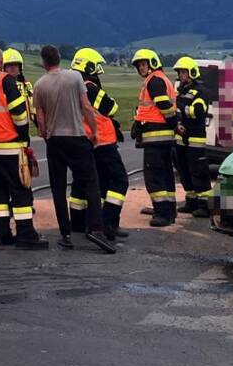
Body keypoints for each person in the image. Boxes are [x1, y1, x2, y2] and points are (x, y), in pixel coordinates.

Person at [32, 45, 116, 253]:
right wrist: (94, 131)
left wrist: (45, 134)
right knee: (91, 182)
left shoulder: (39, 85)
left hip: (55, 140)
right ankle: (96, 229)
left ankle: (66, 236)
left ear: (44, 62)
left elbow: (40, 116)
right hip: (77, 137)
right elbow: (86, 107)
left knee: (58, 189)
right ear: (59, 58)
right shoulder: (75, 78)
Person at [0, 45, 48, 249]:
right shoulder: (5, 80)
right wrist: (23, 137)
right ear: (1, 62)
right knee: (21, 190)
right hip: (10, 145)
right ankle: (26, 235)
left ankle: (1, 235)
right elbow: (20, 114)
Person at [74, 49, 131, 238]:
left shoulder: (72, 87)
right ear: (89, 67)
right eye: (96, 67)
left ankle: (82, 223)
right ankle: (109, 223)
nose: (98, 71)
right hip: (103, 142)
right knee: (120, 181)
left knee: (92, 183)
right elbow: (111, 107)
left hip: (86, 142)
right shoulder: (89, 88)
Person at [131, 48, 179, 226]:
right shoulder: (161, 79)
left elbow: (164, 105)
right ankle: (170, 211)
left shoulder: (154, 81)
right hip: (163, 138)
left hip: (155, 138)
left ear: (152, 63)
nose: (141, 68)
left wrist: (173, 123)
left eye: (143, 64)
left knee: (154, 177)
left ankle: (162, 213)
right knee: (166, 175)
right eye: (139, 66)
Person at [172, 57, 213, 216]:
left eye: (184, 72)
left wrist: (182, 107)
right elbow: (177, 112)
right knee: (184, 172)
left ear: (192, 73)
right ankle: (191, 202)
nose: (181, 75)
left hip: (195, 139)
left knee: (198, 172)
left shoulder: (200, 91)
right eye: (180, 72)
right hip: (181, 138)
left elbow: (198, 112)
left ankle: (205, 206)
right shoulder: (182, 90)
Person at [2, 47, 36, 126]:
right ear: (3, 67)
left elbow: (33, 106)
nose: (13, 67)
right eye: (9, 65)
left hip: (24, 126)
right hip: (6, 127)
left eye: (16, 65)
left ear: (20, 67)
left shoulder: (26, 85)